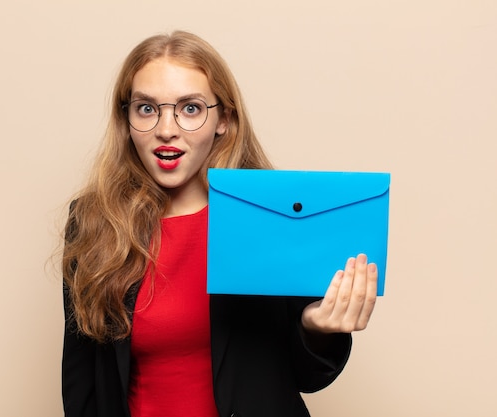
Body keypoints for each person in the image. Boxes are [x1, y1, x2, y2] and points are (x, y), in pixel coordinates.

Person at [61, 30, 378, 417]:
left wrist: (317, 328)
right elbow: (83, 383)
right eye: (146, 108)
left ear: (223, 119)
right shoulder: (94, 221)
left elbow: (305, 376)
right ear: (126, 120)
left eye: (190, 108)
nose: (166, 128)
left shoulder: (266, 216)